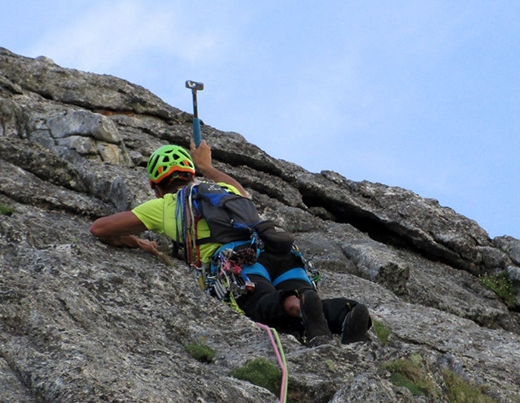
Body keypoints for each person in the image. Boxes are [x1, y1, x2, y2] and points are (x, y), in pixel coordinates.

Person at [89, 141, 370, 346]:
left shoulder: (165, 205)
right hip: (280, 251)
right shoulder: (224, 190)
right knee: (301, 311)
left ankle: (297, 302)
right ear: (191, 175)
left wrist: (136, 243)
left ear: (156, 186)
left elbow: (99, 228)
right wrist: (207, 166)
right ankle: (345, 312)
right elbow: (242, 192)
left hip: (238, 261)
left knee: (260, 306)